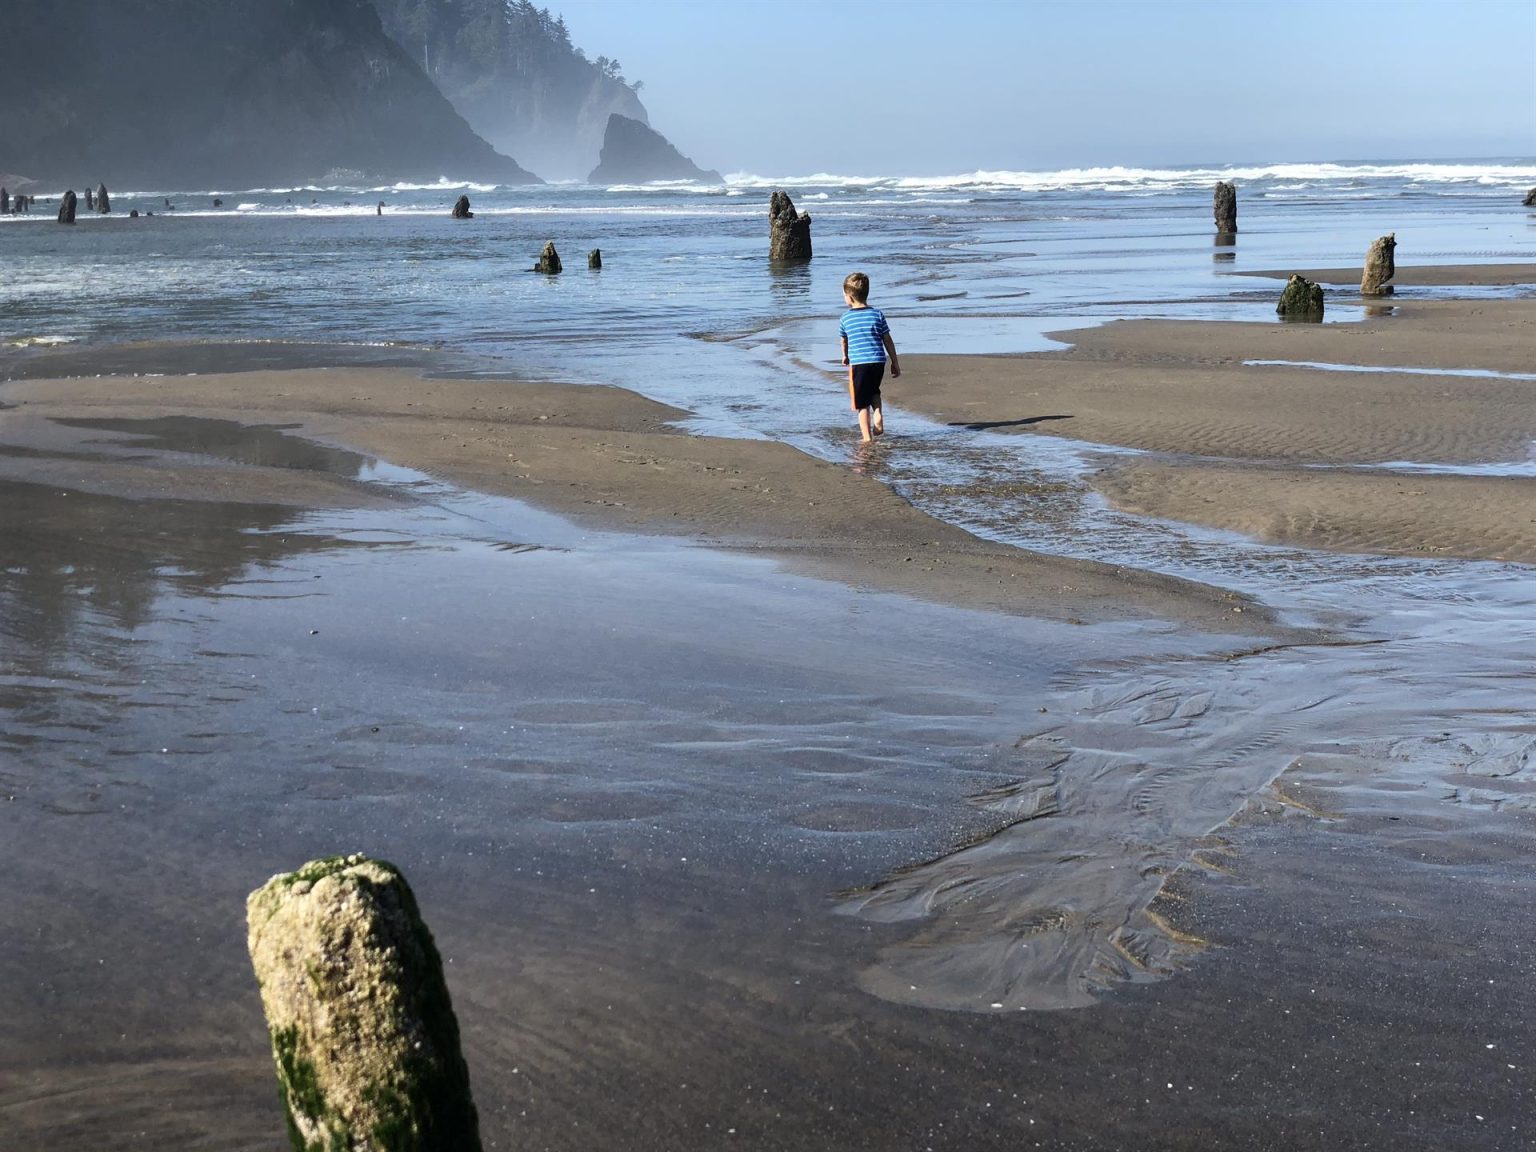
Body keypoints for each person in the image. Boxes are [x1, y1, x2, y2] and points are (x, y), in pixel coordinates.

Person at [838, 271, 900, 441]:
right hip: (878, 361)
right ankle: (878, 413)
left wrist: (844, 356)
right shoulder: (877, 314)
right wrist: (894, 362)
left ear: (849, 297)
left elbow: (844, 340)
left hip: (859, 363)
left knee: (861, 404)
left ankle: (867, 438)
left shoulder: (846, 318)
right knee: (873, 390)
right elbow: (887, 339)